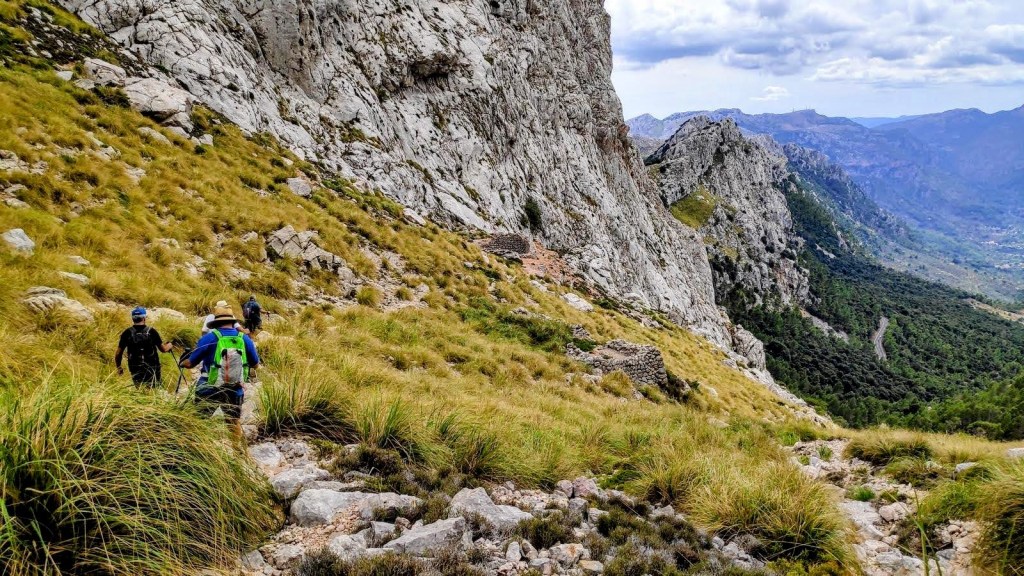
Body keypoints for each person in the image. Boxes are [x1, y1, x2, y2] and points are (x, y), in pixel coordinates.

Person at [181, 304, 260, 440]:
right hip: (234, 388)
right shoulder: (244, 339)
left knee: (200, 421)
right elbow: (255, 364)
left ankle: (199, 447)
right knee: (233, 422)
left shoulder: (209, 338)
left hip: (208, 386)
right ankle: (238, 450)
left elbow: (190, 363)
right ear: (232, 321)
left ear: (216, 322)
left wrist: (182, 362)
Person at [115, 307, 173, 387]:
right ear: (144, 318)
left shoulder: (127, 333)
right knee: (152, 389)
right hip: (152, 368)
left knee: (139, 388)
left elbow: (118, 353)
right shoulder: (152, 331)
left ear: (133, 319)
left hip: (135, 367)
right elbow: (163, 349)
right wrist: (169, 345)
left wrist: (119, 367)